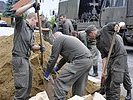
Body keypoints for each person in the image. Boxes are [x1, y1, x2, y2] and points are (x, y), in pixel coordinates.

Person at [85, 23, 132, 100]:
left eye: (89, 35)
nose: (89, 38)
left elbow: (120, 23)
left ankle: (124, 94)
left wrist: (118, 26)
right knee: (109, 77)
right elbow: (104, 58)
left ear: (92, 33)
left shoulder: (105, 30)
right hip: (111, 57)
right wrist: (104, 72)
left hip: (120, 54)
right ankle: (108, 96)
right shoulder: (98, 43)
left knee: (116, 78)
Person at [44, 32, 93, 99]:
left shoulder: (58, 40)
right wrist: (57, 68)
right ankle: (77, 98)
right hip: (88, 61)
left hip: (80, 61)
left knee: (61, 81)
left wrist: (47, 72)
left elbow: (53, 57)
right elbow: (65, 58)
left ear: (54, 38)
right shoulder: (67, 39)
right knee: (79, 85)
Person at [11, 2, 45, 100]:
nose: (37, 24)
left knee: (28, 85)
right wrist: (31, 5)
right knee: (22, 87)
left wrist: (40, 47)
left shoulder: (31, 31)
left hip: (26, 59)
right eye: (36, 22)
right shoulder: (21, 24)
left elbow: (32, 47)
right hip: (19, 58)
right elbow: (17, 13)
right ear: (33, 19)